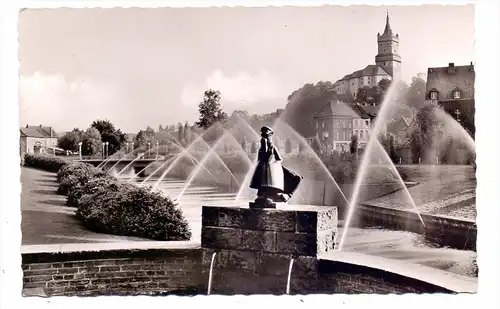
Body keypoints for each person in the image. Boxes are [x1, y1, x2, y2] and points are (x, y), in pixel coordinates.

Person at [249, 126, 301, 207]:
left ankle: (286, 195)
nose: (265, 137)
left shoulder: (272, 147)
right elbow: (262, 157)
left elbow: (279, 159)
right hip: (267, 169)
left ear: (270, 136)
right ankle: (266, 195)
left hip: (274, 168)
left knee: (296, 178)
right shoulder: (263, 146)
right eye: (264, 135)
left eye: (267, 135)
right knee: (265, 179)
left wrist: (276, 167)